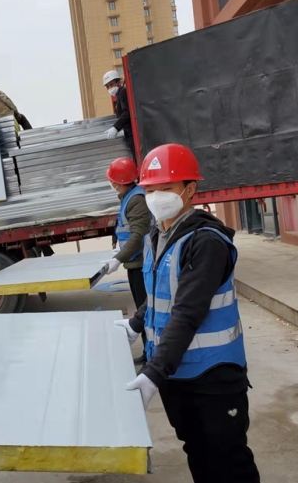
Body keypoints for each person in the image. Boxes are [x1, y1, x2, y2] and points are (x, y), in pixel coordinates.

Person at [114, 144, 260, 483]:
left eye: (165, 188)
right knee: (197, 451)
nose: (155, 197)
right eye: (150, 190)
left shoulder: (205, 242)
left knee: (229, 460)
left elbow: (187, 311)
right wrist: (135, 325)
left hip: (212, 377)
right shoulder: (158, 234)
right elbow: (159, 295)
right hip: (177, 373)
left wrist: (153, 372)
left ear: (190, 189)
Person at [102, 158, 152, 365]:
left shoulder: (136, 200)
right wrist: (119, 248)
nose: (111, 183)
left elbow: (138, 235)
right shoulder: (129, 196)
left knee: (145, 310)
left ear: (119, 181)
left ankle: (152, 355)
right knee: (143, 309)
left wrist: (118, 258)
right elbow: (128, 230)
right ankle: (149, 352)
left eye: (113, 180)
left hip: (141, 264)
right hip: (134, 262)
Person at [103, 70, 135, 160]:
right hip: (129, 134)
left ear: (118, 82)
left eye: (111, 84)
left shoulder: (123, 93)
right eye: (107, 86)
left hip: (132, 134)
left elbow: (127, 113)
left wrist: (116, 127)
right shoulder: (119, 96)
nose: (110, 88)